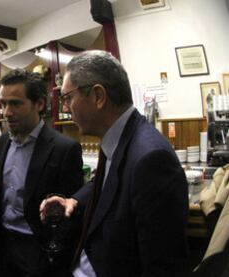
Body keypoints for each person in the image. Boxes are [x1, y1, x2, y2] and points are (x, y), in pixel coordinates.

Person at [40, 50, 189, 276]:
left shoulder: (151, 160)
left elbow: (163, 267)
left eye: (68, 98)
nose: (66, 108)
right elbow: (110, 179)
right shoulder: (119, 139)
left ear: (98, 96)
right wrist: (74, 200)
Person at [0, 69, 83, 276]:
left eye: (15, 103)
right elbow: (11, 191)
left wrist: (54, 253)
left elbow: (72, 209)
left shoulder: (64, 148)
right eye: (3, 104)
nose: (6, 112)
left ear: (39, 104)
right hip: (1, 242)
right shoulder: (4, 141)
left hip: (37, 249)